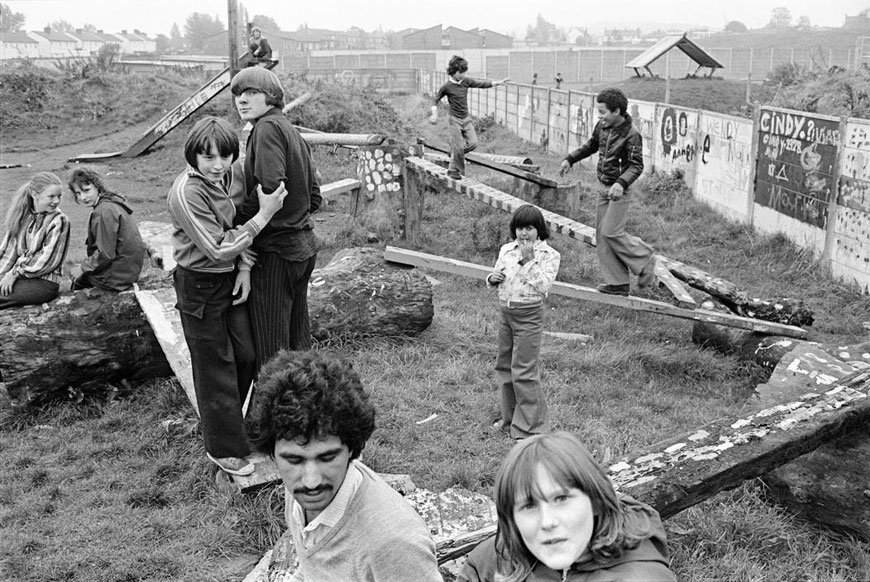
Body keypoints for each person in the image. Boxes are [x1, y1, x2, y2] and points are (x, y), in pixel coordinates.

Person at [246, 349, 444, 582]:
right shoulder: (300, 497)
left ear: (352, 449)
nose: (311, 481)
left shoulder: (394, 545)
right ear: (272, 453)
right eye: (294, 460)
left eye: (327, 458)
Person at [168, 116, 287, 476]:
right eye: (208, 158)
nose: (218, 165)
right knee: (214, 365)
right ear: (193, 157)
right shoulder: (186, 194)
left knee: (247, 354)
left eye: (225, 156)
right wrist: (265, 215)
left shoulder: (231, 175)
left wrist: (245, 268)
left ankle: (226, 423)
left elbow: (234, 230)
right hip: (199, 285)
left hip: (230, 278)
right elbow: (218, 248)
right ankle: (222, 448)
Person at [459, 432, 676, 582]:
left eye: (561, 499)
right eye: (529, 505)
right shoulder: (497, 557)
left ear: (596, 502)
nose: (547, 522)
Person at [231, 66, 322, 371]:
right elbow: (315, 196)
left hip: (276, 255)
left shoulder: (266, 129)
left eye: (252, 93)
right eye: (238, 95)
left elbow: (270, 189)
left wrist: (234, 223)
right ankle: (311, 407)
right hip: (304, 248)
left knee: (273, 355)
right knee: (298, 342)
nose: (242, 100)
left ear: (271, 97)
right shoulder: (291, 130)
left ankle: (275, 415)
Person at [559, 88, 655, 297]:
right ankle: (617, 283)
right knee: (602, 236)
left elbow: (636, 166)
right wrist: (570, 159)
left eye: (603, 112)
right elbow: (592, 145)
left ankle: (644, 257)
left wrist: (621, 183)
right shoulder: (603, 126)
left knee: (612, 232)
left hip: (619, 191)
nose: (599, 116)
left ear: (617, 111)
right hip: (602, 187)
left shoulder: (632, 134)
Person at [486, 204, 560, 440]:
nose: (523, 233)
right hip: (506, 313)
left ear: (539, 230)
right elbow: (497, 275)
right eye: (519, 228)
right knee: (505, 367)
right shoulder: (507, 249)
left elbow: (544, 285)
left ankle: (531, 427)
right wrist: (492, 278)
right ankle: (510, 419)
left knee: (524, 371)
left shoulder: (549, 255)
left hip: (529, 316)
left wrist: (528, 260)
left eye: (529, 228)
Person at [67, 167, 146, 292]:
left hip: (117, 277)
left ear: (97, 186)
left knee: (78, 282)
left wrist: (83, 268)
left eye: (86, 190)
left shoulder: (103, 211)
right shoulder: (111, 202)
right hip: (129, 269)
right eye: (78, 193)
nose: (83, 197)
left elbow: (106, 253)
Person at [430, 55, 508, 180]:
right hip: (454, 120)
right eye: (460, 73)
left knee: (473, 143)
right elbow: (435, 100)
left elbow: (480, 84)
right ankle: (457, 170)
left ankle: (454, 157)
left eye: (464, 72)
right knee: (459, 147)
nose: (462, 75)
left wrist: (496, 83)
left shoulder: (466, 81)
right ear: (453, 72)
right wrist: (434, 114)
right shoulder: (446, 87)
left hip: (466, 119)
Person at [0, 172, 70, 310]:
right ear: (34, 194)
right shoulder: (21, 215)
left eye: (59, 196)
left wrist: (15, 273)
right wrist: (2, 275)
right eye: (51, 196)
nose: (56, 201)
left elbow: (47, 260)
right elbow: (8, 253)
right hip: (18, 278)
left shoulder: (59, 221)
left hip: (42, 282)